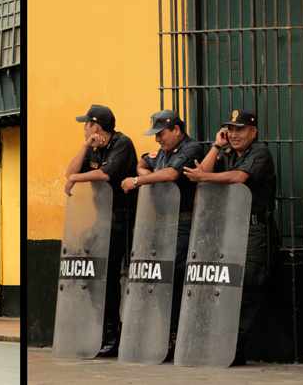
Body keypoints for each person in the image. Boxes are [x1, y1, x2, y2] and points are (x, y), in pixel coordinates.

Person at [185, 109, 277, 366]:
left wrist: (204, 176)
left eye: (240, 130)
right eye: (231, 130)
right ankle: (223, 345)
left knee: (248, 287)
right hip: (229, 230)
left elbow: (239, 178)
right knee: (224, 286)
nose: (235, 135)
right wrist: (216, 145)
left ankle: (236, 349)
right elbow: (200, 174)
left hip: (255, 230)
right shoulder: (226, 155)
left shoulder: (260, 153)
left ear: (253, 132)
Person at [119, 109, 203, 358]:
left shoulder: (190, 149)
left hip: (184, 226)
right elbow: (144, 162)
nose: (158, 140)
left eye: (161, 134)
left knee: (175, 279)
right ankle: (165, 334)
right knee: (160, 279)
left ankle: (176, 336)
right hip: (163, 226)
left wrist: (137, 181)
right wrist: (147, 174)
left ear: (177, 129)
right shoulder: (164, 152)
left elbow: (172, 174)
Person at [65, 104, 137, 357]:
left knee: (109, 278)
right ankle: (105, 333)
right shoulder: (92, 148)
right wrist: (85, 147)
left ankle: (113, 337)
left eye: (86, 124)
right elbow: (70, 171)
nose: (84, 129)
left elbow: (107, 175)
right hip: (102, 222)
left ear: (95, 126)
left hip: (125, 222)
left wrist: (75, 180)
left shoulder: (122, 144)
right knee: (95, 277)